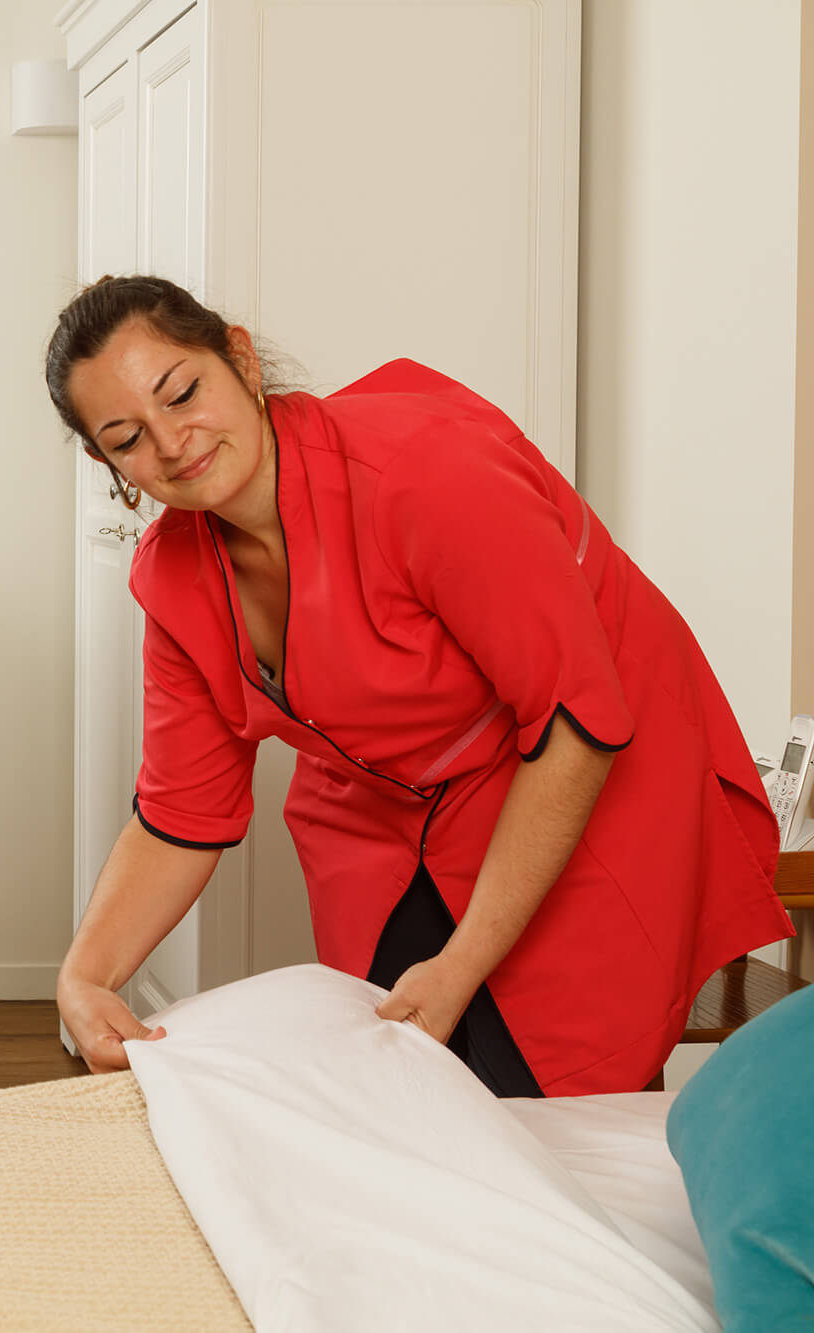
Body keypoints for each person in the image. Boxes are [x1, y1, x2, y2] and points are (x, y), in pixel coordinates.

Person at [49, 275, 793, 1098]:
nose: (173, 442)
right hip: (389, 810)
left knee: (549, 1087)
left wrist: (462, 964)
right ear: (106, 459)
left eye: (183, 392)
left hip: (579, 758)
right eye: (127, 437)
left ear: (241, 359)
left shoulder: (423, 472)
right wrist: (85, 973)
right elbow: (182, 814)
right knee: (392, 1089)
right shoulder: (173, 577)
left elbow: (577, 718)